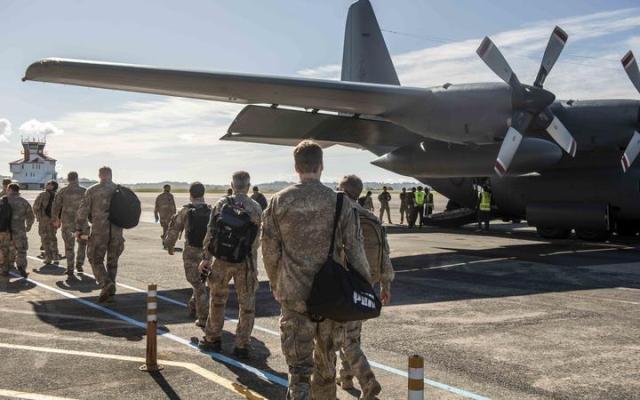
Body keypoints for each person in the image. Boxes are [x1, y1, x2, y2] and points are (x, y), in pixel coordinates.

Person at [261, 140, 372, 399]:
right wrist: (364, 289)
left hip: (294, 296)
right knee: (326, 369)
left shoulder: (279, 201)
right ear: (321, 166)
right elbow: (355, 250)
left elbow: (269, 251)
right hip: (331, 299)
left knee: (298, 372)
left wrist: (276, 284)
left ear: (296, 167)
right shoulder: (340, 202)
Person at [337, 174, 394, 398]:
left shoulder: (341, 214)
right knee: (353, 333)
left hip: (344, 284)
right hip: (366, 285)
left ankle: (368, 381)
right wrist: (385, 285)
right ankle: (345, 377)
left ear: (343, 190)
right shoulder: (372, 218)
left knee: (346, 338)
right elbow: (385, 254)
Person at [198, 171, 262, 358]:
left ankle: (212, 338)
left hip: (221, 260)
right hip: (246, 262)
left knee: (217, 299)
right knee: (247, 304)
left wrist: (206, 258)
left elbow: (211, 232)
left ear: (232, 185)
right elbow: (257, 239)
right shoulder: (255, 207)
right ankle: (242, 345)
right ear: (248, 186)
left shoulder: (222, 203)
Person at [76, 166, 125, 303]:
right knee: (112, 261)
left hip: (99, 231)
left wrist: (79, 229)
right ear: (111, 175)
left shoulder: (92, 190)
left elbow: (82, 212)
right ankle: (111, 289)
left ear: (99, 175)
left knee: (95, 259)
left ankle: (106, 283)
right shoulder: (120, 190)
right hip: (117, 231)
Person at [165, 182, 210, 327]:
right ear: (203, 194)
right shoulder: (212, 210)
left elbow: (174, 230)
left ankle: (203, 318)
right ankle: (193, 306)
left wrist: (169, 246)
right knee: (200, 283)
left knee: (197, 284)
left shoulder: (185, 211)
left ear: (190, 194)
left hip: (191, 252)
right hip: (208, 253)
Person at [52, 172, 88, 276]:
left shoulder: (63, 191)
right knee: (82, 243)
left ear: (68, 179)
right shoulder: (85, 191)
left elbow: (56, 206)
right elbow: (91, 206)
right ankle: (79, 263)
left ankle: (70, 268)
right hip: (82, 222)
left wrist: (56, 219)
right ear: (77, 178)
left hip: (68, 223)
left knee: (69, 245)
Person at [0, 184, 34, 278]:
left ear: (9, 190)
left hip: (4, 230)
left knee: (4, 250)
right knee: (21, 250)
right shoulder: (23, 202)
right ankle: (21, 267)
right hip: (19, 230)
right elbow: (30, 216)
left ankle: (4, 269)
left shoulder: (2, 201)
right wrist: (28, 226)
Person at [33, 180, 60, 265]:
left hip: (44, 220)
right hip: (55, 220)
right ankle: (55, 257)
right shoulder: (58, 195)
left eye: (48, 184)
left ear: (52, 186)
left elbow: (36, 207)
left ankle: (48, 258)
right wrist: (58, 220)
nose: (46, 185)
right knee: (53, 238)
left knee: (45, 239)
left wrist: (38, 217)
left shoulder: (43, 194)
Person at [0, 179, 17, 268]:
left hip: (8, 224)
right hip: (9, 224)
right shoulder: (13, 195)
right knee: (10, 245)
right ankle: (8, 262)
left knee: (9, 245)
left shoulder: (5, 196)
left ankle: (7, 262)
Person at [154, 184, 176, 248]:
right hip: (169, 216)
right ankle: (165, 241)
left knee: (165, 229)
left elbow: (156, 207)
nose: (169, 189)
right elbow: (173, 206)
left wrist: (156, 216)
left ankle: (164, 241)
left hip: (163, 216)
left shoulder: (159, 196)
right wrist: (174, 215)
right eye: (169, 188)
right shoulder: (170, 196)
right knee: (169, 229)